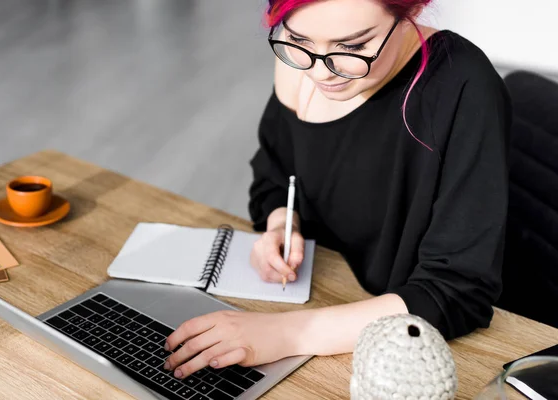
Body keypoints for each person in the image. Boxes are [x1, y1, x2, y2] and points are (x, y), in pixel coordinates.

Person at [162, 0, 512, 380]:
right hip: (325, 294)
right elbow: (274, 175)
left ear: (406, 13)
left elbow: (458, 291)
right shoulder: (297, 65)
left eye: (353, 47)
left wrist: (287, 333)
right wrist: (283, 225)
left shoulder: (464, 85)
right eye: (298, 39)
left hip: (405, 354)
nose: (321, 71)